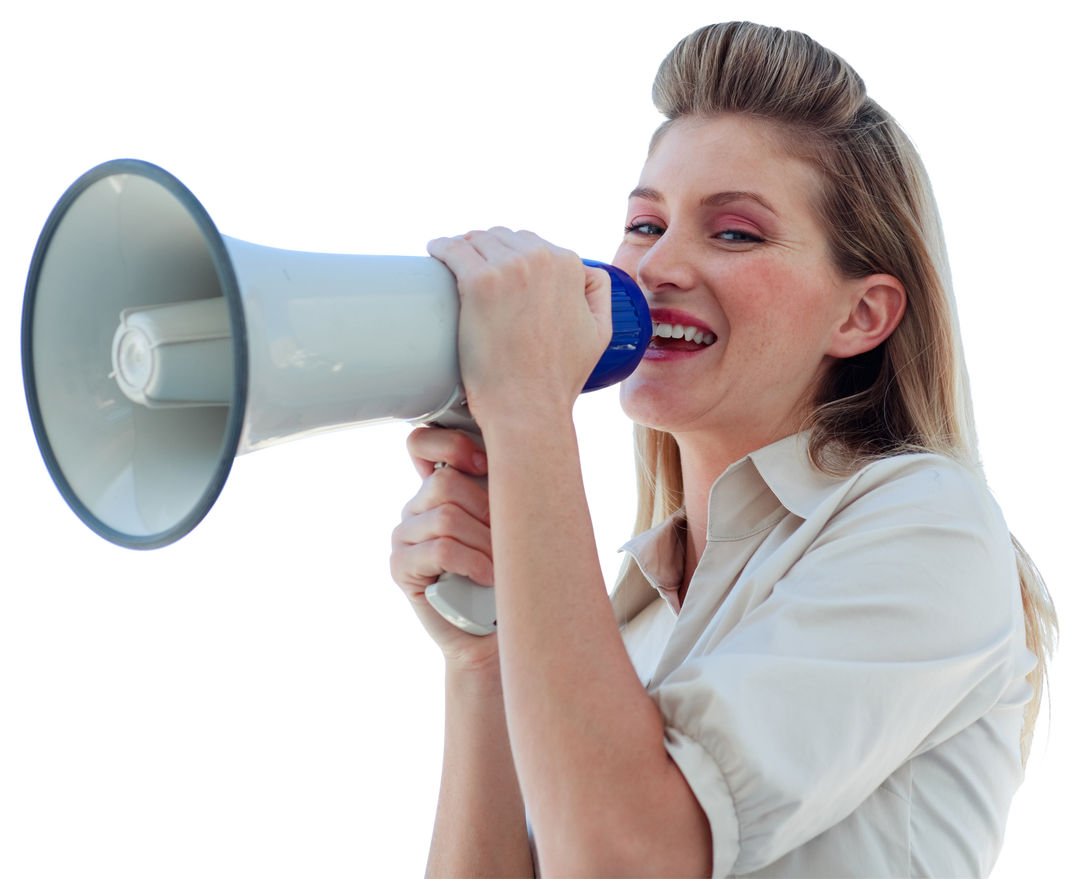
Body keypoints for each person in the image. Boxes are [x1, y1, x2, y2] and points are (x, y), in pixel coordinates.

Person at [386, 19, 1061, 879]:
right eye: (643, 224)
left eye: (735, 232)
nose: (657, 266)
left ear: (861, 315)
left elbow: (625, 859)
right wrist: (483, 660)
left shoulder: (932, 529)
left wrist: (528, 415)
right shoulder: (625, 614)